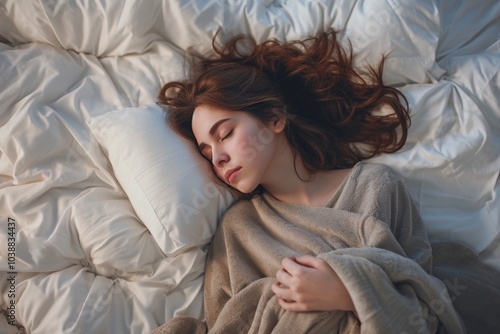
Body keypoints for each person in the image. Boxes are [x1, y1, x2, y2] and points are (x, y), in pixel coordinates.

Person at [154, 30, 495, 334]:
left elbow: (424, 303)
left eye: (225, 134)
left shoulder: (376, 186)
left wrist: (349, 291)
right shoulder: (238, 229)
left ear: (274, 119)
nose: (218, 158)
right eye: (206, 151)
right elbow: (228, 322)